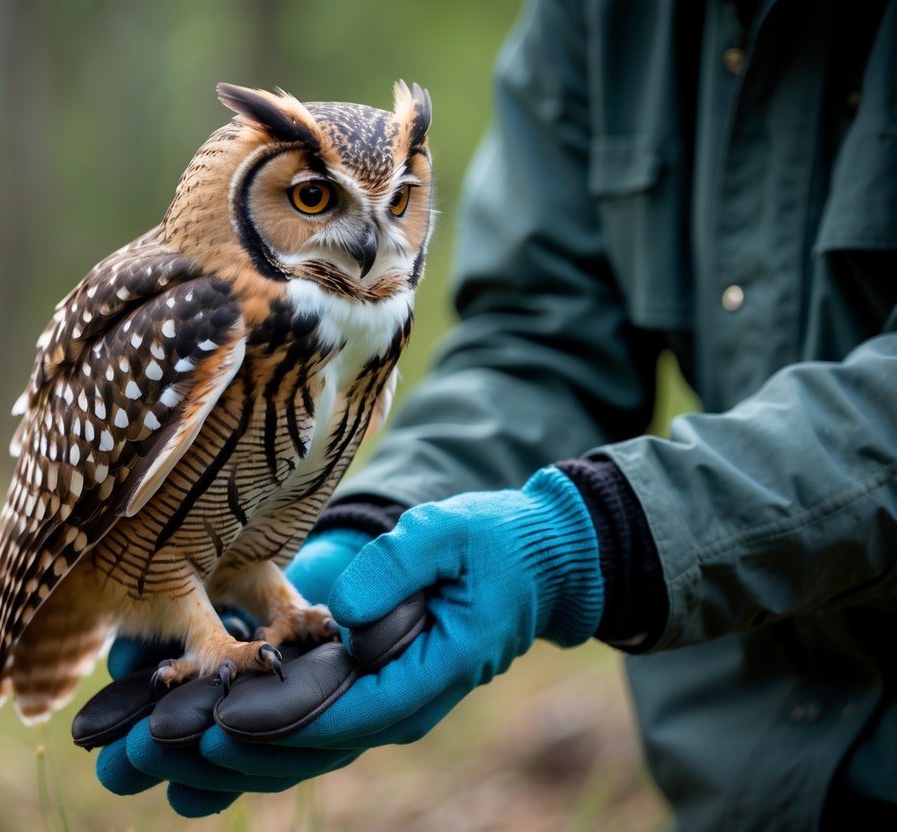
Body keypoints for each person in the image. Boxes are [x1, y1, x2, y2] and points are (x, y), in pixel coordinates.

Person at [90, 0, 897, 826]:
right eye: (311, 200)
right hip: (744, 773)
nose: (368, 246)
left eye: (397, 204)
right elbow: (541, 342)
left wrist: (594, 537)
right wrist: (383, 523)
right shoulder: (603, 19)